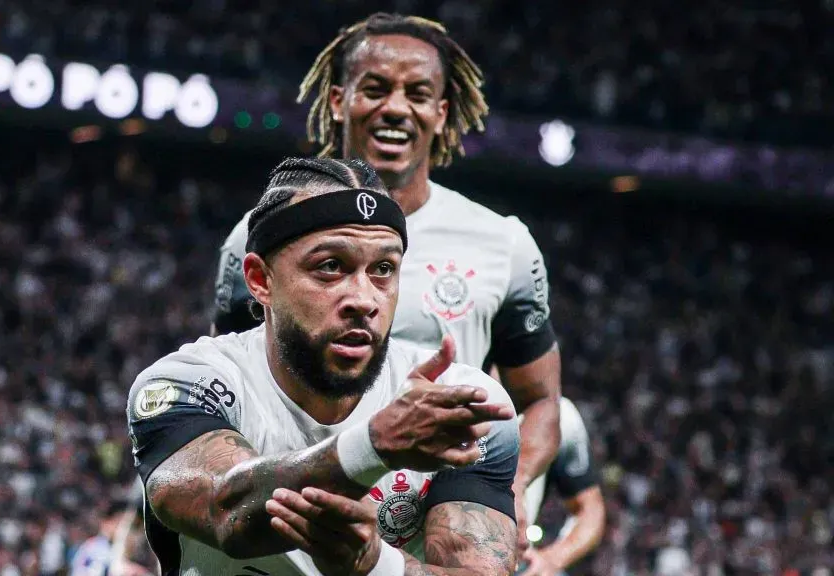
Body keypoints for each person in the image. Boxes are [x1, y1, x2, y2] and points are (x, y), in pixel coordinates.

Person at [212, 11, 562, 548]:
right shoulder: (260, 237)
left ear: (441, 113)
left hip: (438, 533)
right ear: (338, 100)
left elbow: (539, 402)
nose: (396, 107)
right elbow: (229, 384)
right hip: (299, 523)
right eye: (375, 89)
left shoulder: (504, 244)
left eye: (417, 93)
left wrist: (508, 491)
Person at [130, 156, 521, 575]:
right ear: (260, 279)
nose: (364, 300)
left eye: (383, 269)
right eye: (331, 266)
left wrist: (377, 565)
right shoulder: (187, 386)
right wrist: (372, 446)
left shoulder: (458, 406)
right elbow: (226, 510)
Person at [518, 397, 605, 576]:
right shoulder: (463, 395)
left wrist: (553, 558)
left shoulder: (561, 417)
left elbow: (590, 508)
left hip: (516, 561)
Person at [70, 501, 153, 576]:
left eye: (132, 526)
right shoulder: (94, 549)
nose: (125, 529)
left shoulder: (128, 551)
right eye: (121, 522)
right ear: (107, 522)